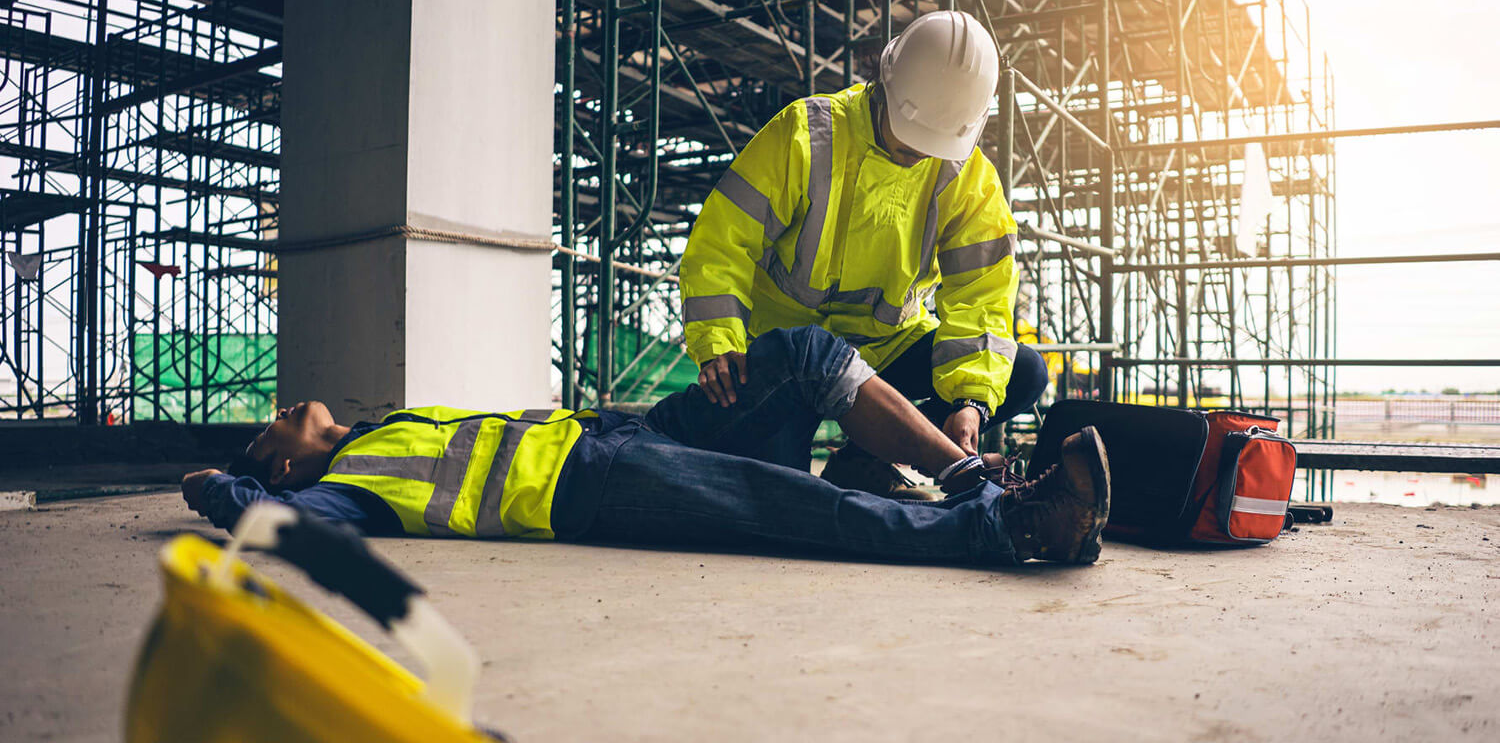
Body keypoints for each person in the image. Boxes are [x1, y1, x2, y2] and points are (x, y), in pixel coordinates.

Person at [181, 326, 1110, 567]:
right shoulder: (341, 488)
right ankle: (1009, 528)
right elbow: (267, 520)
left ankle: (963, 475)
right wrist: (216, 483)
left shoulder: (380, 427)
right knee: (795, 511)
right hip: (591, 489)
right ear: (287, 461)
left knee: (795, 360)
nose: (282, 408)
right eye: (269, 429)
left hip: (609, 433)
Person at [679, 10, 1048, 498]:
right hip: (789, 359)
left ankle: (865, 460)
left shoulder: (968, 180)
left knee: (1025, 371)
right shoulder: (807, 134)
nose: (918, 153)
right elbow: (722, 241)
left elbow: (982, 298)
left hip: (885, 353)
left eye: (933, 144)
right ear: (885, 85)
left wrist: (970, 401)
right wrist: (718, 344)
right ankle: (819, 449)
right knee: (781, 490)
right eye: (908, 135)